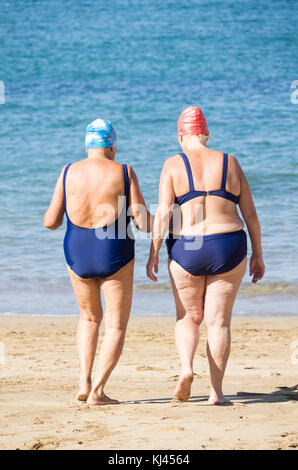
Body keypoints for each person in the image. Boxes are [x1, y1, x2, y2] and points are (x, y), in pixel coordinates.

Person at [147, 106, 265, 405]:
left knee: (188, 317)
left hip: (188, 246)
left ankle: (186, 368)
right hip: (229, 244)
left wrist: (154, 253)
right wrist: (258, 256)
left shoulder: (173, 164)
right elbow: (250, 214)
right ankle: (216, 393)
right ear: (206, 134)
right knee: (219, 322)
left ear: (180, 136)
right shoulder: (230, 162)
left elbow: (162, 214)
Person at [44, 118, 151, 405]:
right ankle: (98, 392)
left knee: (88, 317)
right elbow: (142, 223)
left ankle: (84, 380)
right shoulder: (125, 170)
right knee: (115, 325)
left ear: (87, 145)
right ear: (112, 146)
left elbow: (50, 221)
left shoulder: (68, 171)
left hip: (77, 248)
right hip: (113, 248)